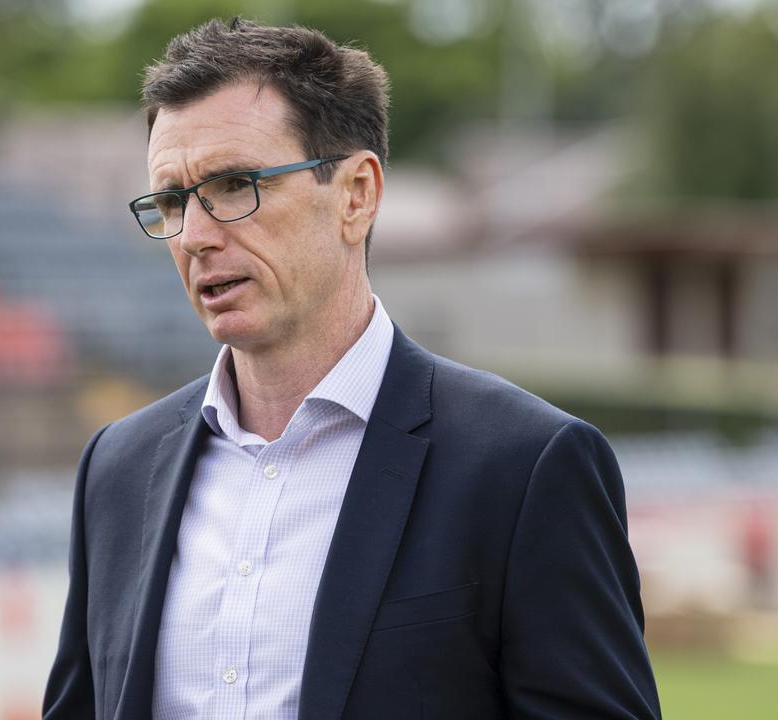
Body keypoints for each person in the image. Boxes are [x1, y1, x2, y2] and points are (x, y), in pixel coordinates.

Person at [44, 17, 661, 720]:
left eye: (234, 184)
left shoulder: (524, 467)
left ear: (357, 194)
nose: (194, 236)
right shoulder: (117, 469)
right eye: (173, 200)